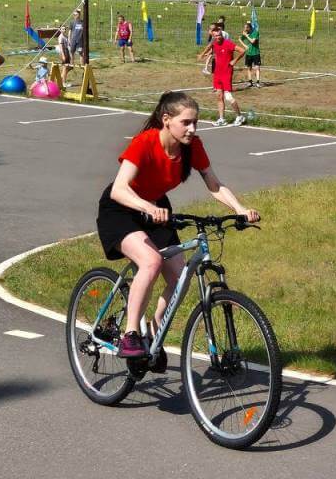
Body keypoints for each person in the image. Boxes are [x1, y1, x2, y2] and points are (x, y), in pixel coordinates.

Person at [96, 91, 260, 359]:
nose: (192, 129)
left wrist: (240, 210)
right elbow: (119, 189)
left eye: (195, 122)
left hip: (156, 209)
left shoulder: (192, 146)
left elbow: (214, 184)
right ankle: (130, 335)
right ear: (166, 120)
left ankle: (154, 330)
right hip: (122, 209)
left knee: (179, 276)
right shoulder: (145, 143)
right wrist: (148, 207)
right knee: (150, 262)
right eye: (186, 122)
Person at [197, 26, 246, 126]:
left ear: (222, 34)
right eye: (215, 36)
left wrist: (234, 60)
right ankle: (221, 119)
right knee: (219, 96)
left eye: (219, 35)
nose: (218, 37)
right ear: (213, 36)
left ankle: (240, 116)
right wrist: (202, 54)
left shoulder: (228, 43)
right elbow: (209, 47)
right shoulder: (214, 42)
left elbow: (243, 50)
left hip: (227, 72)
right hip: (217, 73)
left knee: (228, 96)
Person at [240, 22, 261, 88]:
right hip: (248, 53)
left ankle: (257, 82)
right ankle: (250, 82)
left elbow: (253, 41)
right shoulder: (246, 33)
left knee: (257, 67)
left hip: (256, 53)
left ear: (250, 28)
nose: (245, 29)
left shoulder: (255, 33)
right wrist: (245, 46)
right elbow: (240, 39)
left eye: (246, 28)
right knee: (249, 68)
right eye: (244, 28)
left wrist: (246, 36)